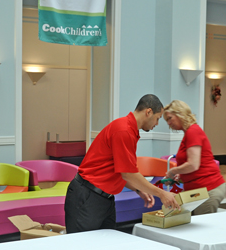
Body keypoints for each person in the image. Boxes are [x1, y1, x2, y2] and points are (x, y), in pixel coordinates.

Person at [65, 94, 180, 233]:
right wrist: (162, 194)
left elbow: (121, 171)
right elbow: (128, 174)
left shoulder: (129, 130)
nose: (156, 123)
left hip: (104, 199)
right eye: (158, 118)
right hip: (87, 196)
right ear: (148, 112)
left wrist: (139, 189)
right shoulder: (123, 130)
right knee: (82, 244)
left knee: (107, 242)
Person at [163, 100, 226, 215]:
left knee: (202, 226)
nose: (168, 123)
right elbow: (195, 164)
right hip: (198, 190)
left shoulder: (193, 131)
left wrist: (172, 171)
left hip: (208, 189)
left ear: (180, 114)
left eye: (170, 118)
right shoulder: (189, 132)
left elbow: (193, 165)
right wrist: (181, 175)